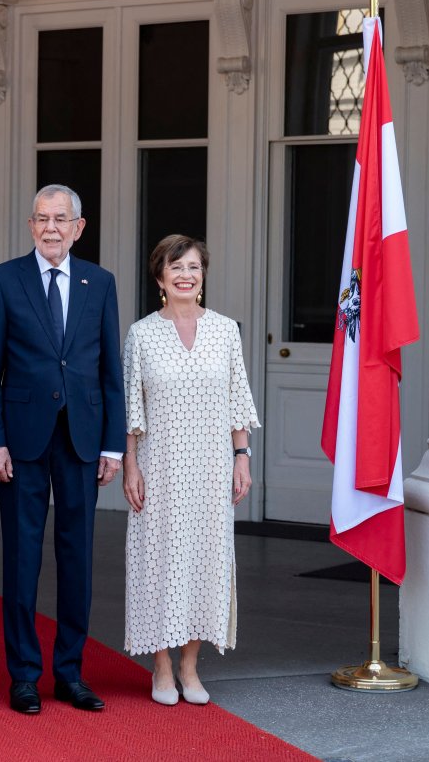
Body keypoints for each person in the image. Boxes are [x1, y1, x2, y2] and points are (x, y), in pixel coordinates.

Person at [0, 183, 126, 716]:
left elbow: (112, 370)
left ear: (78, 227)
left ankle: (70, 673)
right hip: (21, 439)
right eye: (42, 219)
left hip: (83, 439)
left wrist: (114, 446)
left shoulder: (100, 282)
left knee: (76, 559)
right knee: (21, 558)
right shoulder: (1, 281)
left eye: (61, 219)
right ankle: (23, 675)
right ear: (31, 225)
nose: (51, 229)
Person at [120, 234, 260, 706]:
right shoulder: (142, 333)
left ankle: (190, 666)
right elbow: (130, 409)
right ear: (160, 277)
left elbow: (237, 400)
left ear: (203, 276)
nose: (186, 275)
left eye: (194, 267)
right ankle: (160, 665)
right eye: (176, 267)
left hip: (210, 468)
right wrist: (130, 466)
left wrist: (242, 457)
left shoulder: (225, 331)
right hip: (158, 468)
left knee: (205, 562)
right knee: (157, 563)